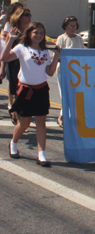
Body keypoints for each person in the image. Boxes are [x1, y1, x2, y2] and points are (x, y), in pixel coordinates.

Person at [1, 22, 60, 166]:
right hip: (26, 91)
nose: (38, 35)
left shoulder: (45, 51)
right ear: (29, 33)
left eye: (41, 33)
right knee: (24, 123)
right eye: (36, 32)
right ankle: (13, 144)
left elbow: (50, 72)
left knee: (41, 123)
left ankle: (42, 155)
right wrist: (11, 40)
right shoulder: (22, 48)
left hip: (41, 90)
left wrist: (57, 56)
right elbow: (5, 58)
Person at [56, 16, 86, 127]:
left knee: (74, 94)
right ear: (65, 26)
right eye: (71, 26)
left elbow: (82, 53)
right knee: (64, 94)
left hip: (76, 71)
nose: (73, 28)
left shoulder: (79, 38)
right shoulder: (61, 38)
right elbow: (58, 55)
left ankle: (69, 116)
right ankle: (62, 116)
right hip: (63, 69)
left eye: (74, 25)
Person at [2, 6, 30, 125]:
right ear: (19, 17)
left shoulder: (31, 31)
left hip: (28, 65)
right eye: (26, 14)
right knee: (17, 91)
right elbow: (5, 52)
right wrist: (2, 69)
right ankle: (18, 117)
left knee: (27, 91)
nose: (29, 17)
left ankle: (20, 115)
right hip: (14, 64)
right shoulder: (13, 32)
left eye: (30, 14)